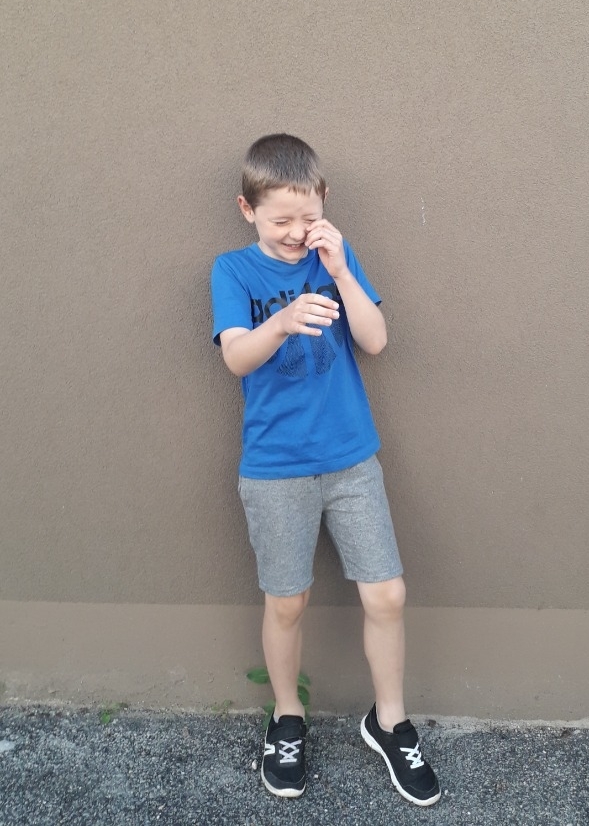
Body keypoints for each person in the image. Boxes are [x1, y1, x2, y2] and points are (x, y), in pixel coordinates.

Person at [210, 133, 440, 807]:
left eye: (306, 217)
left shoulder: (334, 256)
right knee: (287, 601)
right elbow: (236, 358)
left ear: (325, 204)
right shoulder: (233, 271)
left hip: (350, 459)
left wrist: (339, 270)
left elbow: (375, 340)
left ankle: (389, 722)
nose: (294, 232)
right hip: (275, 466)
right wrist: (282, 321)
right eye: (280, 219)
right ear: (247, 210)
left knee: (387, 594)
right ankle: (288, 717)